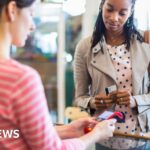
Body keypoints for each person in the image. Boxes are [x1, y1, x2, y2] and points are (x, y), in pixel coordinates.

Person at [0, 0, 116, 149]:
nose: (32, 25)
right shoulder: (21, 80)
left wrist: (67, 129)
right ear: (12, 10)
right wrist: (95, 135)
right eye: (30, 14)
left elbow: (8, 133)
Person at [74, 0, 150, 149]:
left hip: (140, 138)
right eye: (109, 9)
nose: (114, 18)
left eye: (122, 13)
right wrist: (95, 102)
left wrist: (135, 100)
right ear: (102, 5)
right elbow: (79, 98)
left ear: (131, 10)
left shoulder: (145, 42)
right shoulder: (85, 48)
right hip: (104, 139)